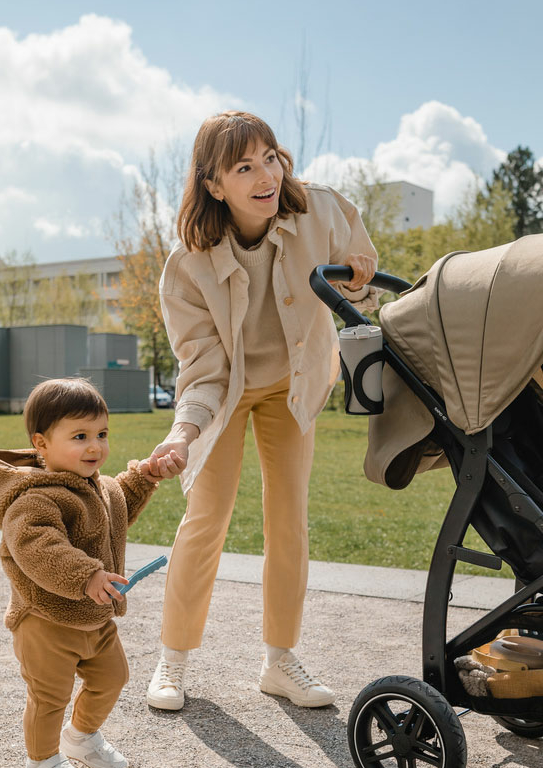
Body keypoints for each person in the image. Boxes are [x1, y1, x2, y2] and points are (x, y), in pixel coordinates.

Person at [143, 110, 377, 712]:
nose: (264, 175)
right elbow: (202, 369)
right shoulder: (187, 265)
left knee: (288, 519)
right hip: (226, 394)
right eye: (243, 166)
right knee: (207, 518)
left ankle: (280, 662)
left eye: (269, 157)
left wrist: (359, 281)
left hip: (292, 387)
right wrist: (183, 433)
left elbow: (361, 278)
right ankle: (173, 659)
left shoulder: (321, 210)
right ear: (214, 184)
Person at [0, 377, 185, 768]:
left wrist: (144, 476)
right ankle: (41, 762)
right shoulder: (33, 500)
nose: (95, 446)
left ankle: (82, 737)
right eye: (80, 436)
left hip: (93, 616)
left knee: (113, 677)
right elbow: (40, 547)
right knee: (49, 695)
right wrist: (86, 575)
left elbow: (117, 503)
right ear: (41, 443)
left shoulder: (96, 486)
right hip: (45, 620)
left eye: (101, 434)